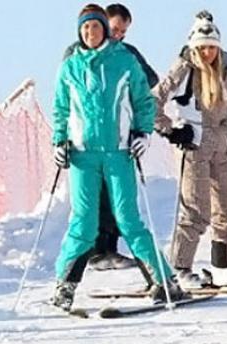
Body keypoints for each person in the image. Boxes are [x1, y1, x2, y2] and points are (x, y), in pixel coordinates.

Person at [50, 4, 188, 311]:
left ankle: (164, 281)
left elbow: (143, 101)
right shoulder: (70, 67)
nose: (90, 33)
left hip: (118, 153)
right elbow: (60, 109)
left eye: (95, 27)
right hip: (83, 156)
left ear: (104, 30)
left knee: (129, 219)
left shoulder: (125, 61)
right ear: (79, 32)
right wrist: (59, 141)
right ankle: (65, 286)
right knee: (83, 223)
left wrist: (142, 133)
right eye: (85, 28)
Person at [154, 11, 227, 288]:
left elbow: (218, 108)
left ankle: (224, 263)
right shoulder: (184, 68)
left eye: (212, 47)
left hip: (220, 142)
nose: (207, 53)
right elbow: (151, 102)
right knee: (195, 208)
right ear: (193, 46)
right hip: (193, 144)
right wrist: (171, 129)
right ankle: (179, 268)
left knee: (226, 208)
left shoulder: (223, 70)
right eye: (202, 47)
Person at [62, 3, 159, 273]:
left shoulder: (125, 55)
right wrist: (63, 138)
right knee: (91, 205)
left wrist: (143, 128)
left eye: (123, 32)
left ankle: (127, 256)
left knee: (123, 205)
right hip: (87, 143)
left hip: (118, 141)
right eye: (115, 29)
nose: (118, 35)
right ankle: (96, 251)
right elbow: (66, 98)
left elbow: (148, 85)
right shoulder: (75, 55)